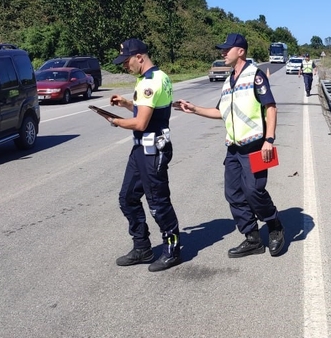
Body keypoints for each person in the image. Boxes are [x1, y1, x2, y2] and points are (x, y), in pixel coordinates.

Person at [174, 33, 285, 258]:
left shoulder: (256, 76)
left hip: (255, 145)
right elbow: (220, 112)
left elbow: (270, 107)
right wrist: (194, 109)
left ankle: (274, 226)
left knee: (254, 191)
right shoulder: (228, 81)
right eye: (223, 50)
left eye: (227, 49)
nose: (223, 53)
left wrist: (269, 140)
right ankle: (252, 238)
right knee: (233, 193)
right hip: (233, 148)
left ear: (240, 51)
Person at [107, 38, 182, 272]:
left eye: (127, 61)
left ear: (140, 57)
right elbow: (149, 111)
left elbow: (141, 123)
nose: (124, 66)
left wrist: (116, 121)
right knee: (127, 198)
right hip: (141, 149)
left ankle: (173, 250)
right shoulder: (150, 79)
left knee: (158, 203)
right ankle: (142, 247)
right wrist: (127, 104)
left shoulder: (151, 81)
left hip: (153, 150)